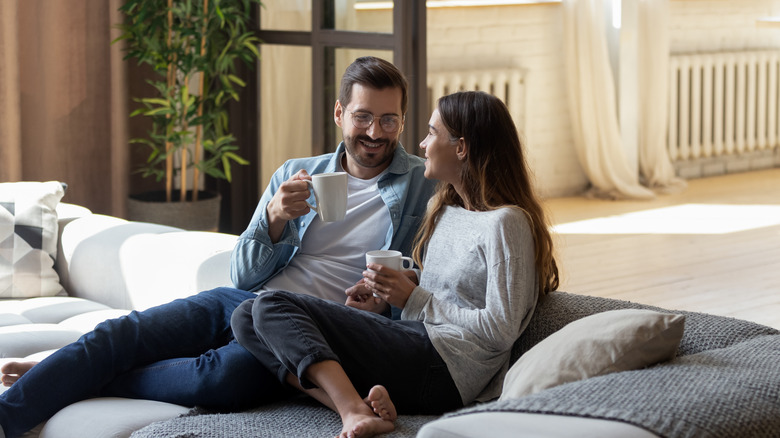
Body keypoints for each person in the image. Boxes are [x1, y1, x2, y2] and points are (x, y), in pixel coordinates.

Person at [0, 56, 437, 438]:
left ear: (403, 120)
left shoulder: (426, 186)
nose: (375, 132)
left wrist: (385, 306)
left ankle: (73, 376)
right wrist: (274, 218)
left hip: (305, 333)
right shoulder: (298, 172)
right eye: (363, 117)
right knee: (123, 333)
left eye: (389, 119)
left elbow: (431, 286)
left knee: (220, 379)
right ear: (339, 113)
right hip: (244, 302)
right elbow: (242, 276)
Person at [230, 90, 560, 438]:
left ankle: (351, 410)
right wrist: (391, 291)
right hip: (415, 345)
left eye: (431, 133)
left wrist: (413, 298)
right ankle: (356, 406)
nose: (421, 144)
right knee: (245, 316)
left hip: (448, 368)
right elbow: (449, 288)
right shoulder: (446, 210)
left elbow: (500, 330)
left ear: (461, 147)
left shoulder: (506, 223)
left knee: (271, 305)